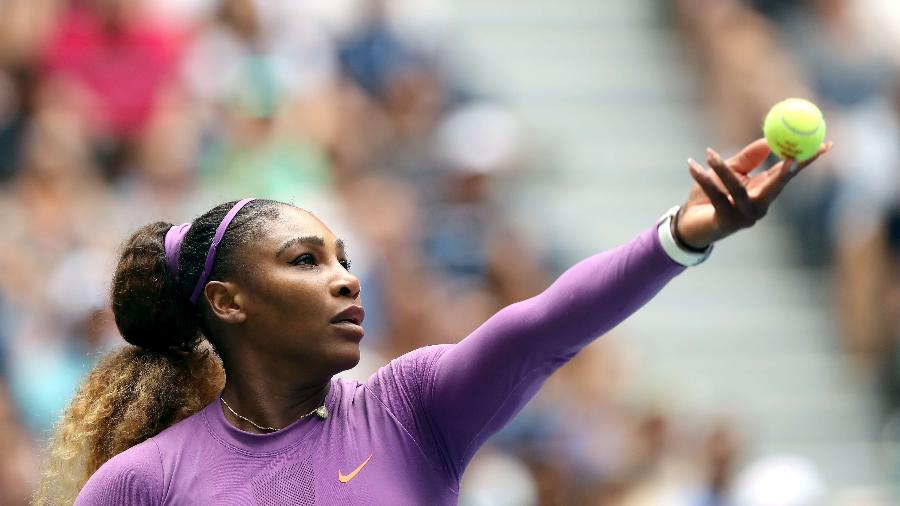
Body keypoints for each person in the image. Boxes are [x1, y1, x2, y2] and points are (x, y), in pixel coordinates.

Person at [33, 139, 829, 505]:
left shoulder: (412, 408)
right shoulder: (144, 484)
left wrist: (681, 238)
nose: (346, 277)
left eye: (344, 257)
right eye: (306, 261)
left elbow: (542, 328)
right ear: (229, 302)